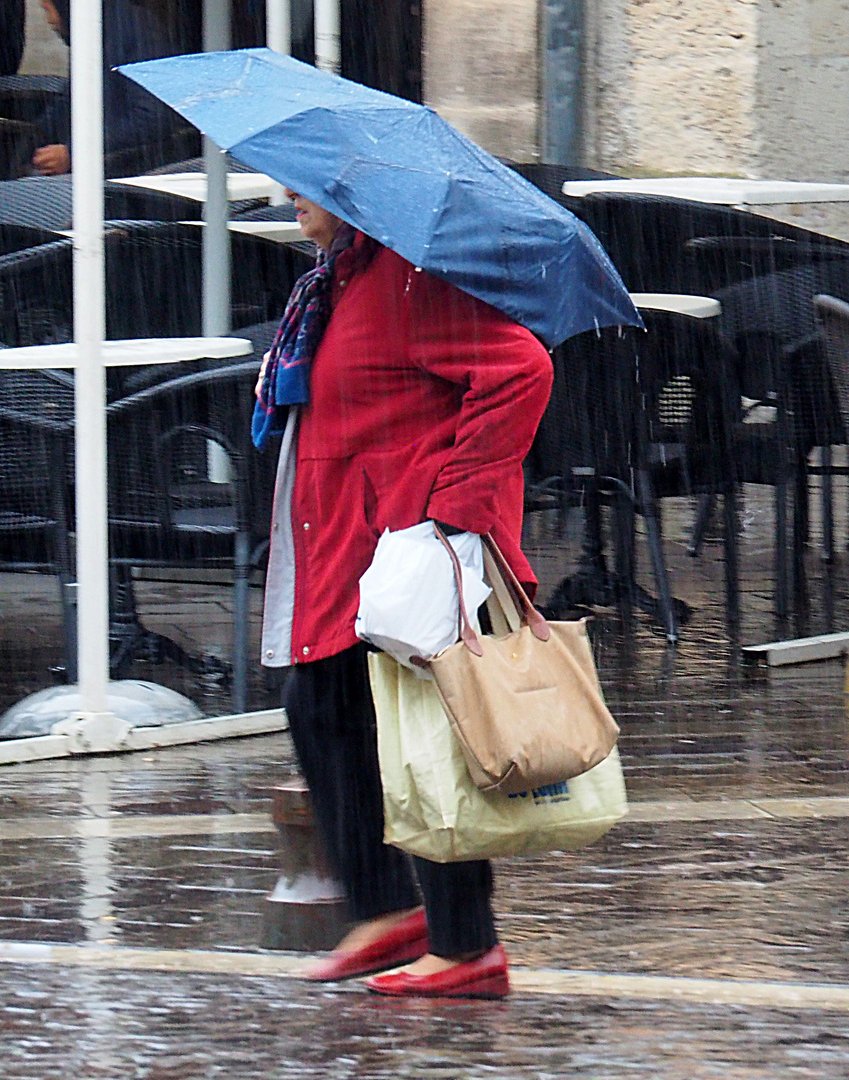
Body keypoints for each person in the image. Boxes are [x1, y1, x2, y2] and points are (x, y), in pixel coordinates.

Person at [255, 190, 553, 999]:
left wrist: (452, 500)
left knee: (420, 736)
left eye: (303, 189)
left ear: (354, 201)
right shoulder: (339, 280)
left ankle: (466, 946)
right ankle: (389, 909)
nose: (287, 200)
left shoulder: (408, 282)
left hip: (402, 548)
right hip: (347, 545)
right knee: (323, 710)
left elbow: (522, 370)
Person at [30, 0, 183, 175]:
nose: (49, 20)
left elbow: (153, 118)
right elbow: (72, 100)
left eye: (47, 10)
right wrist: (30, 136)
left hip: (135, 171)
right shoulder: (96, 31)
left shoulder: (131, 32)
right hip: (107, 161)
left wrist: (76, 152)